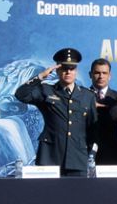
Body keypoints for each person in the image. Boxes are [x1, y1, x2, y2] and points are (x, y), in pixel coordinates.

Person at [14, 48, 97, 176]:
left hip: (77, 157)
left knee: (79, 194)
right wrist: (41, 76)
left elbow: (92, 127)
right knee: (49, 195)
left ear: (76, 71)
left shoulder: (87, 96)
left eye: (72, 68)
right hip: (50, 156)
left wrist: (90, 152)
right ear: (57, 70)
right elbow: (21, 94)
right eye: (64, 68)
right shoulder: (46, 90)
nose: (68, 72)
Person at [88, 58, 117, 165]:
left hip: (111, 153)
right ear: (90, 74)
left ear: (110, 75)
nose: (101, 76)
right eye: (97, 73)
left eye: (104, 73)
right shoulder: (81, 95)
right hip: (84, 151)